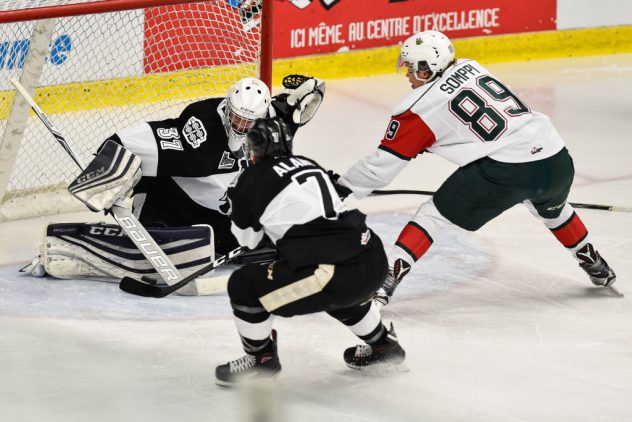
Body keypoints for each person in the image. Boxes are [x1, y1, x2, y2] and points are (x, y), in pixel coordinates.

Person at [330, 30, 617, 306]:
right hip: (556, 158)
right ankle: (596, 264)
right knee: (552, 208)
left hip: (507, 172)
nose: (406, 74)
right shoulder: (471, 67)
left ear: (427, 69)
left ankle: (387, 280)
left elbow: (382, 166)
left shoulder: (417, 109)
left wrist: (342, 187)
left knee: (432, 216)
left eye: (411, 68)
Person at [23, 75, 326, 283]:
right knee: (171, 247)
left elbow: (303, 101)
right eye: (236, 118)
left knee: (265, 243)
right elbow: (126, 141)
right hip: (169, 200)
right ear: (227, 110)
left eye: (248, 122)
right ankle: (74, 246)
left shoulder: (273, 126)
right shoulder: (199, 132)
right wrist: (107, 178)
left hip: (218, 210)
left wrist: (314, 90)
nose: (240, 126)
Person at [214, 118, 406, 386]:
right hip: (372, 257)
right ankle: (382, 346)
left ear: (252, 150)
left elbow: (248, 241)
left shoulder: (250, 179)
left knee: (243, 285)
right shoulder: (308, 163)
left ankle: (261, 360)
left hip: (335, 272)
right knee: (339, 293)